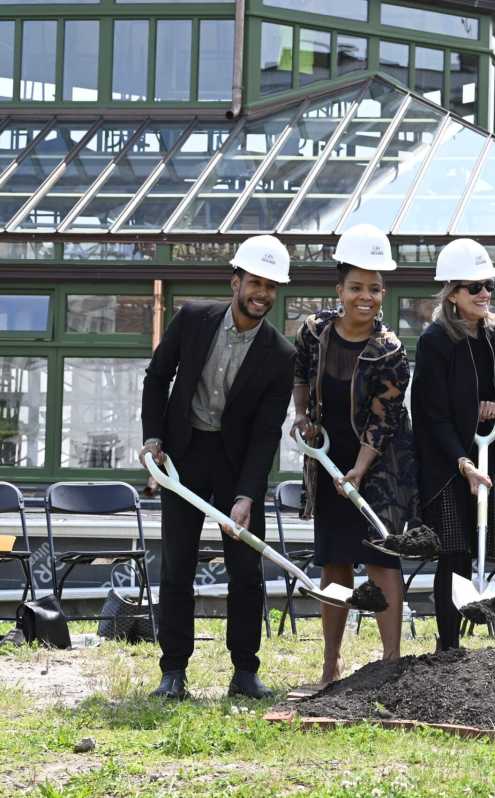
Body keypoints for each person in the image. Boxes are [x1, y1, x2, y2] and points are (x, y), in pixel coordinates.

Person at [140, 235, 296, 700]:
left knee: (246, 572)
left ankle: (245, 671)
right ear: (236, 281)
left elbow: (268, 431)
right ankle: (173, 672)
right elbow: (157, 377)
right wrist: (153, 441)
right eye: (255, 283)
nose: (262, 294)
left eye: (271, 287)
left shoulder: (280, 354)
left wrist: (248, 494)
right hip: (183, 460)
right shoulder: (192, 320)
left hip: (237, 468)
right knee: (177, 567)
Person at [291, 224, 418, 687]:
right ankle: (330, 665)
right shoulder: (314, 331)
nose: (366, 297)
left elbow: (384, 418)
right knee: (335, 561)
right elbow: (301, 373)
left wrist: (359, 471)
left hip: (380, 464)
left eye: (375, 289)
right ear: (339, 289)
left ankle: (389, 665)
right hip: (327, 459)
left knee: (382, 558)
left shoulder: (390, 350)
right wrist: (303, 416)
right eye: (357, 287)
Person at [411, 238, 495, 651]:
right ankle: (447, 645)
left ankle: (464, 638)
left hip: (483, 453)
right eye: (474, 287)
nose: (485, 293)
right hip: (445, 464)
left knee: (475, 546)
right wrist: (462, 462)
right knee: (451, 553)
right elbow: (430, 413)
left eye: (488, 284)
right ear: (452, 293)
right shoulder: (435, 341)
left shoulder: (493, 330)